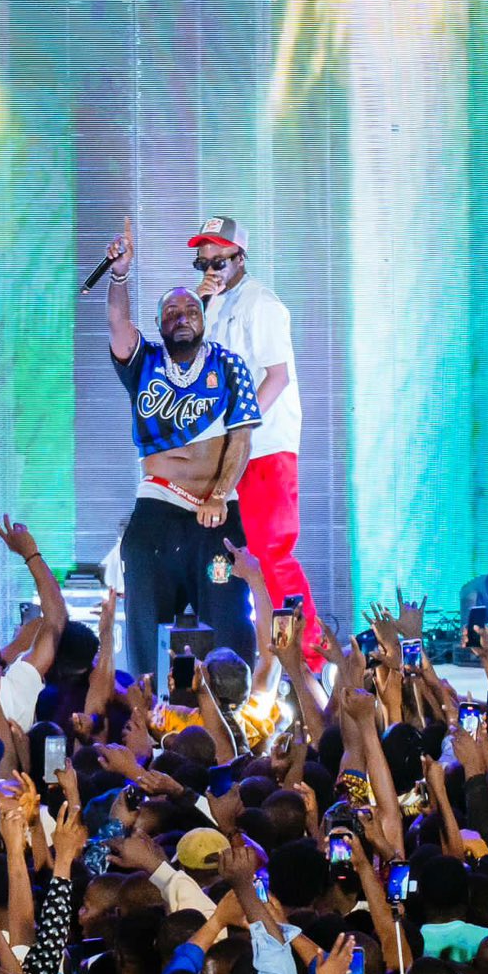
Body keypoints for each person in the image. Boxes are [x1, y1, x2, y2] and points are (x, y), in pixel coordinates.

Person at [102, 217, 261, 676]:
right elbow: (117, 320)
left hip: (215, 510)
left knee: (229, 627)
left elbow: (242, 438)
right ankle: (147, 714)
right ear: (159, 325)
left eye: (190, 311)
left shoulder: (229, 366)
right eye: (170, 314)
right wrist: (120, 275)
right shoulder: (144, 361)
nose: (182, 319)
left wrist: (218, 494)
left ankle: (232, 713)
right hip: (160, 504)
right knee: (148, 629)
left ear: (204, 318)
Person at [186, 217, 320, 650]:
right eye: (202, 262)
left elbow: (277, 378)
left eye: (219, 261)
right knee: (235, 560)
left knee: (272, 554)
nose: (211, 270)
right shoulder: (213, 306)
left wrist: (238, 426)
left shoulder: (261, 303)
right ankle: (259, 657)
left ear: (240, 258)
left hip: (264, 447)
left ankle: (312, 659)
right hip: (230, 449)